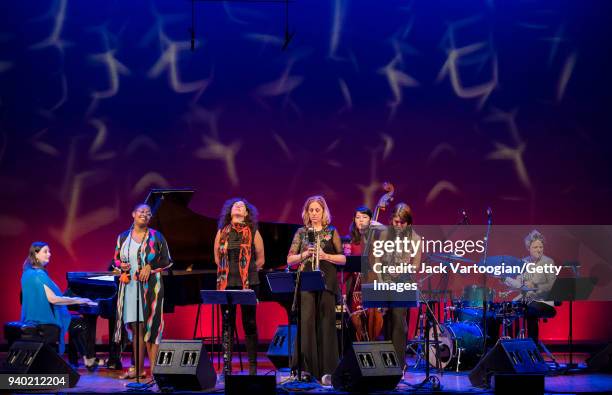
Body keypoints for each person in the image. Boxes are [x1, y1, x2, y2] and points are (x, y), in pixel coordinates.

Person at [287, 195, 346, 383]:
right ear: (306, 212)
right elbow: (289, 259)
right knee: (307, 324)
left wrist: (325, 255)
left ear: (323, 212)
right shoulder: (301, 233)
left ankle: (328, 371)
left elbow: (343, 259)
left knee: (327, 324)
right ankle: (305, 369)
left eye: (317, 210)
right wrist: (305, 254)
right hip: (306, 281)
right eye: (310, 210)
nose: (314, 214)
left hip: (327, 282)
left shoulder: (332, 232)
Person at [112, 204, 172, 379]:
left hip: (151, 287)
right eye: (141, 212)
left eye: (148, 213)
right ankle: (138, 369)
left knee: (151, 327)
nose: (144, 215)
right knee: (137, 328)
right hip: (130, 287)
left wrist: (150, 265)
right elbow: (115, 259)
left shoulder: (157, 236)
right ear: (133, 214)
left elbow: (167, 260)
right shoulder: (123, 237)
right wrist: (120, 265)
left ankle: (156, 372)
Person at [214, 198, 265, 376]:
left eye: (241, 206)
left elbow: (261, 259)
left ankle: (252, 368)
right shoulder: (222, 232)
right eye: (235, 205)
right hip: (226, 283)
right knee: (227, 324)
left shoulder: (253, 231)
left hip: (249, 282)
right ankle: (227, 369)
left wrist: (248, 272)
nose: (238, 206)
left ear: (246, 213)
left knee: (249, 323)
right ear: (230, 212)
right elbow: (216, 258)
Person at [20, 242, 96, 358]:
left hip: (30, 319)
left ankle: (78, 360)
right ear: (35, 253)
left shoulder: (26, 273)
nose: (49, 254)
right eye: (45, 251)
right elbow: (53, 299)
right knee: (81, 324)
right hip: (44, 322)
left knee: (74, 323)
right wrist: (79, 300)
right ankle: (89, 359)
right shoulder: (39, 274)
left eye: (49, 251)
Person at [379, 203, 421, 369]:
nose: (398, 225)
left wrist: (402, 268)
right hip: (384, 281)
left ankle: (398, 365)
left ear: (408, 223)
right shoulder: (384, 235)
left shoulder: (415, 238)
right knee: (385, 322)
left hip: (403, 282)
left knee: (398, 320)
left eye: (402, 223)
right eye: (395, 222)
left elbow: (416, 265)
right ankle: (384, 362)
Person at [503, 230, 556, 343]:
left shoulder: (548, 262)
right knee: (505, 310)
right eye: (535, 247)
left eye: (541, 247)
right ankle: (512, 345)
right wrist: (505, 279)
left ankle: (534, 346)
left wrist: (535, 285)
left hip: (544, 301)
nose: (539, 250)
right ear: (528, 248)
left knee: (530, 309)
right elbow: (518, 284)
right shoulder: (523, 262)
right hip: (526, 300)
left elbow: (551, 285)